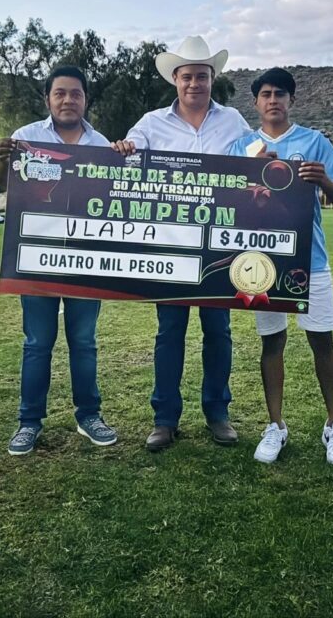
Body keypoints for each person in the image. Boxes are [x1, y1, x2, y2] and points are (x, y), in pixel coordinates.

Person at [111, 36, 251, 451]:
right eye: (187, 76)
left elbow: (256, 163)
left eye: (202, 76)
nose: (195, 83)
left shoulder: (234, 122)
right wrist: (122, 150)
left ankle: (217, 412)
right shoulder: (151, 123)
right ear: (175, 79)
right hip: (170, 245)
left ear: (212, 79)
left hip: (219, 245)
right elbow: (127, 157)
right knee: (169, 332)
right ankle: (164, 418)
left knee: (218, 330)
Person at [0, 65, 118, 456]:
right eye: (60, 93)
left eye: (75, 94)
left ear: (85, 99)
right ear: (48, 99)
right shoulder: (26, 138)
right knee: (37, 342)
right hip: (37, 257)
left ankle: (88, 416)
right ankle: (29, 423)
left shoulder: (102, 144)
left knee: (84, 342)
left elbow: (117, 195)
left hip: (85, 259)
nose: (67, 100)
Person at [228, 68, 333, 466]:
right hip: (262, 260)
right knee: (272, 342)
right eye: (265, 94)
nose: (273, 100)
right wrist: (251, 175)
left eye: (280, 93)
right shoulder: (242, 145)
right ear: (256, 102)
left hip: (310, 259)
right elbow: (229, 202)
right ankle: (275, 425)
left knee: (322, 341)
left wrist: (322, 182)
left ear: (291, 100)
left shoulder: (314, 141)